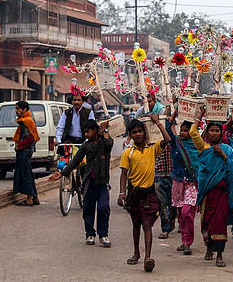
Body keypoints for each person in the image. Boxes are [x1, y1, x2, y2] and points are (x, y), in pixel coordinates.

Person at [118, 115, 171, 272]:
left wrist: (157, 123)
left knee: (147, 224)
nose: (138, 134)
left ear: (145, 132)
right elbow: (123, 174)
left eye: (140, 131)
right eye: (134, 132)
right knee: (136, 225)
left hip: (150, 195)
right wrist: (122, 193)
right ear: (131, 135)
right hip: (134, 194)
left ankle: (148, 257)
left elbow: (167, 140)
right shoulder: (128, 153)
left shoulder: (152, 148)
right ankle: (136, 253)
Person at [49, 119, 113, 247]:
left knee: (103, 208)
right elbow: (76, 161)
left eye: (87, 131)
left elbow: (109, 144)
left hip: (102, 182)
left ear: (95, 130)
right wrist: (62, 173)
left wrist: (105, 130)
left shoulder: (104, 142)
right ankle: (90, 233)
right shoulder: (86, 145)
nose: (86, 134)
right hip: (89, 182)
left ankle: (103, 234)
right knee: (88, 209)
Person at [190, 107, 233, 267]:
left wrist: (224, 157)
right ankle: (209, 248)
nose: (214, 133)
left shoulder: (228, 150)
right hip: (207, 194)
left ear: (221, 133)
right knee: (207, 222)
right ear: (207, 132)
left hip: (223, 195)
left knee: (219, 223)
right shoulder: (203, 148)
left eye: (217, 131)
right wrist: (200, 113)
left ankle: (219, 255)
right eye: (211, 131)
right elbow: (192, 132)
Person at [165, 109, 200, 255]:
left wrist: (200, 114)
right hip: (179, 182)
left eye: (186, 130)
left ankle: (187, 241)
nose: (183, 133)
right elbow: (167, 128)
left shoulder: (196, 144)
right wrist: (175, 112)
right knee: (181, 213)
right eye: (182, 130)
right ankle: (185, 241)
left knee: (187, 212)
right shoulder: (176, 143)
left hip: (192, 182)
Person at [13, 101, 40, 206]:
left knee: (26, 174)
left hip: (25, 151)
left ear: (24, 109)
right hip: (26, 150)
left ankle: (29, 199)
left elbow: (30, 138)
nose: (16, 111)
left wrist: (19, 145)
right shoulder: (26, 120)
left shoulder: (26, 121)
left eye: (18, 109)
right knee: (28, 172)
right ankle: (35, 197)